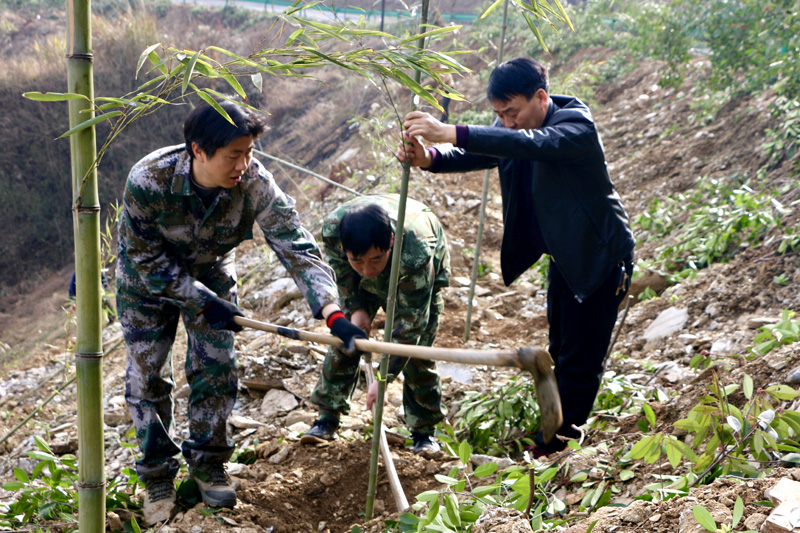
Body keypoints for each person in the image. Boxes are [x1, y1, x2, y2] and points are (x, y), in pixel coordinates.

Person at [116, 100, 366, 524]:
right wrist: (200, 300)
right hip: (148, 282)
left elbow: (296, 244)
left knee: (216, 366)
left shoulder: (253, 181)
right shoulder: (149, 180)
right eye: (234, 154)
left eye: (249, 152)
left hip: (212, 270)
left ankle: (209, 462)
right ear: (198, 150)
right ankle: (158, 474)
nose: (244, 164)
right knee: (147, 376)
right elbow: (146, 260)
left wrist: (331, 311)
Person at [396, 57, 635, 457]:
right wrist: (431, 159)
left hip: (598, 259)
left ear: (541, 97)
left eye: (512, 111)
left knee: (580, 360)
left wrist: (450, 131)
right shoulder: (516, 127)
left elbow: (522, 145)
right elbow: (489, 149)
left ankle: (558, 447)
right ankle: (553, 431)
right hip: (566, 258)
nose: (506, 122)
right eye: (498, 114)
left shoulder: (575, 129)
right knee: (561, 348)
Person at [300, 194, 450, 454]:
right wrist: (356, 308)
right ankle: (327, 417)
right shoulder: (334, 233)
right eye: (357, 260)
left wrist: (382, 377)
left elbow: (410, 327)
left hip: (416, 273)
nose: (367, 270)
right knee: (346, 338)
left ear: (390, 242)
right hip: (377, 263)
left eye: (375, 260)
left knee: (417, 354)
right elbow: (343, 274)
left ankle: (424, 432)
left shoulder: (415, 250)